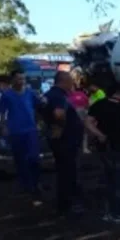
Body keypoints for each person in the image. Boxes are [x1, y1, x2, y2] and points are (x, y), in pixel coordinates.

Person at [86, 82, 120, 224]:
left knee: (109, 180)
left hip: (104, 148)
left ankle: (109, 212)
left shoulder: (99, 104)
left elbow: (88, 122)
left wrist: (99, 135)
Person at [0, 70, 43, 205]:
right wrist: (4, 127)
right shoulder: (6, 95)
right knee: (20, 160)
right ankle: (25, 185)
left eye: (23, 79)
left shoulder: (30, 93)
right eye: (18, 79)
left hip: (31, 130)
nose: (21, 81)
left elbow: (40, 106)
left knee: (34, 158)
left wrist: (40, 122)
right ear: (12, 80)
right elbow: (1, 113)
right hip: (15, 131)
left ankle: (35, 183)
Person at [43, 72, 85, 216]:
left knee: (64, 171)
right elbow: (59, 114)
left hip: (61, 140)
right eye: (70, 81)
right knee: (67, 172)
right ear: (63, 81)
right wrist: (60, 127)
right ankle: (66, 204)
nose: (72, 84)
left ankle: (66, 201)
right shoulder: (58, 96)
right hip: (66, 140)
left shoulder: (49, 95)